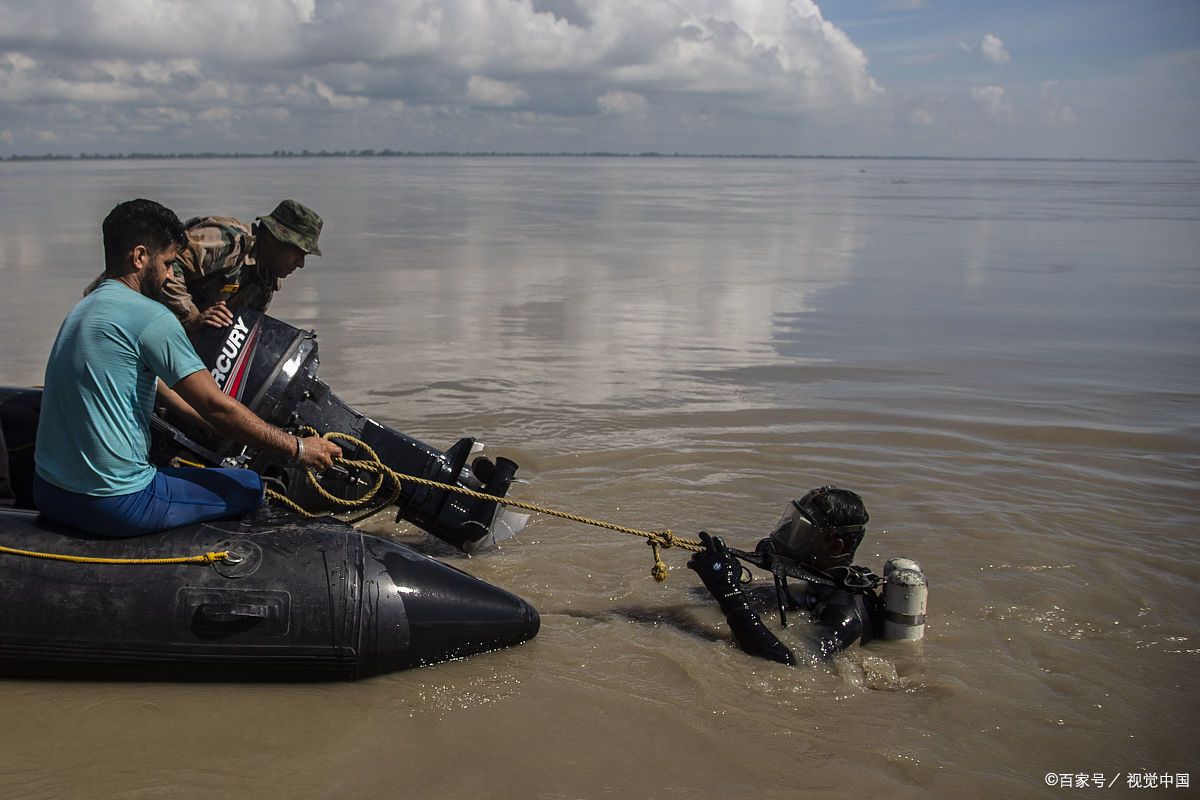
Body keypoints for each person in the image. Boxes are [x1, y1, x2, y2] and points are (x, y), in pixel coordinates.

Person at [33, 199, 342, 537]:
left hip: (49, 494)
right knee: (250, 486)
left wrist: (222, 427)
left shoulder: (83, 310)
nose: (170, 275)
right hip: (115, 503)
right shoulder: (154, 317)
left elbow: (166, 391)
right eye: (167, 263)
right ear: (138, 257)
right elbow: (214, 405)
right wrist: (297, 449)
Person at [688, 486, 881, 665]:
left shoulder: (847, 611)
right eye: (792, 522)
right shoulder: (818, 586)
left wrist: (729, 593)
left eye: (801, 530)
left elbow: (793, 661)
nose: (788, 533)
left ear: (834, 547)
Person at [85, 199, 323, 332]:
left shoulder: (264, 282)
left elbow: (238, 333)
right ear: (273, 238)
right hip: (113, 314)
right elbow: (166, 266)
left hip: (158, 330)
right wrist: (193, 319)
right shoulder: (226, 241)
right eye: (297, 253)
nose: (300, 264)